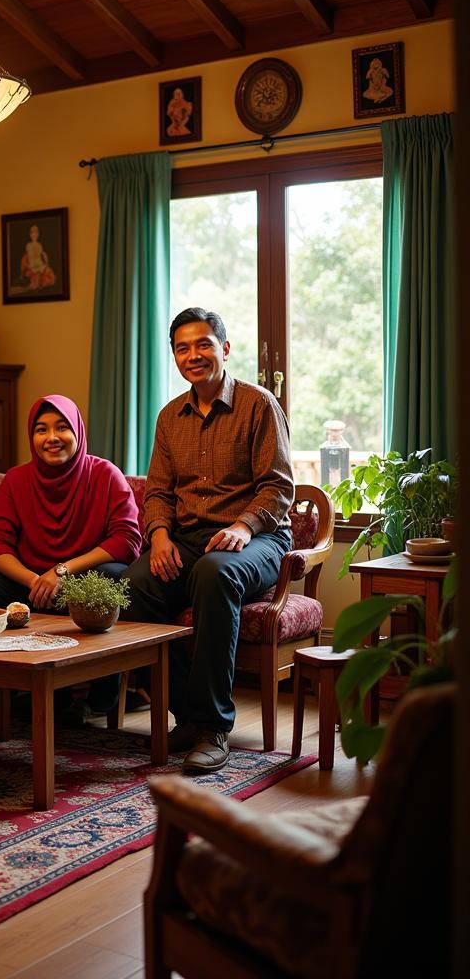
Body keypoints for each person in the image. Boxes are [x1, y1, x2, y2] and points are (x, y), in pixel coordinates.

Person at [122, 308, 294, 773]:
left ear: (225, 348)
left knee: (213, 573)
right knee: (133, 586)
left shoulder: (258, 404)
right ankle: (186, 715)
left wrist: (242, 526)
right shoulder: (169, 417)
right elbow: (157, 491)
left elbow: (278, 488)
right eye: (182, 347)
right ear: (175, 355)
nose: (193, 355)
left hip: (257, 536)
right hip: (189, 537)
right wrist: (158, 537)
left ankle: (214, 727)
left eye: (203, 344)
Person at [0, 394, 143, 719]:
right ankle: (4, 697)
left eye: (62, 428)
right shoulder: (17, 480)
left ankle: (101, 697)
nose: (51, 438)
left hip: (81, 585)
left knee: (111, 577)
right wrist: (35, 580)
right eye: (41, 429)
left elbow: (127, 540)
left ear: (77, 431)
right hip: (31, 586)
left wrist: (62, 572)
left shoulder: (105, 474)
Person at [19, 224, 57, 290]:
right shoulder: (28, 245)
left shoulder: (39, 245)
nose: (34, 234)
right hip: (32, 267)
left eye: (36, 233)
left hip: (40, 265)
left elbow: (43, 254)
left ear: (38, 234)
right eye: (32, 233)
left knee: (50, 275)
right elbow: (26, 258)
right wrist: (30, 267)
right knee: (37, 278)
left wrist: (46, 264)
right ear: (30, 234)